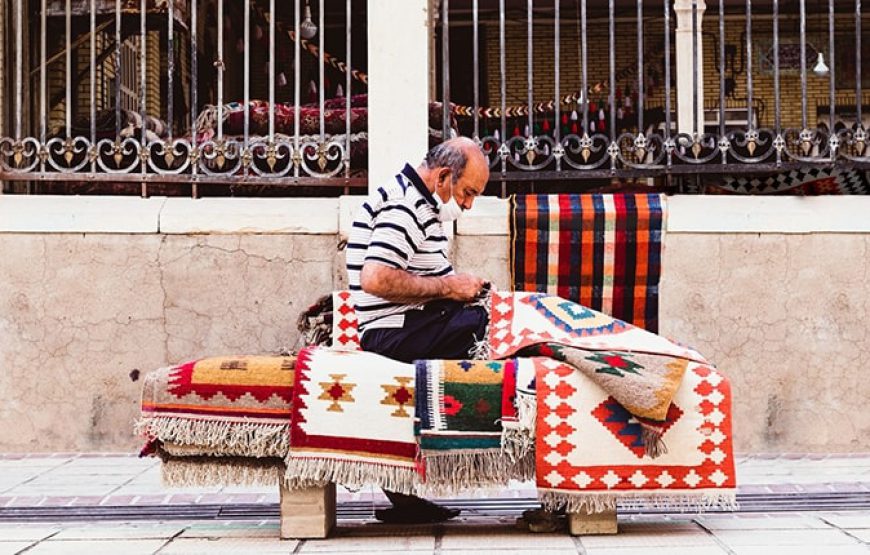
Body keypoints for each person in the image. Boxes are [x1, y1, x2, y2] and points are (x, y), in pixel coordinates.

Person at [345, 137, 490, 523]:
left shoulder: (420, 204)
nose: (468, 204)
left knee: (494, 315)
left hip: (411, 323)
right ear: (444, 177)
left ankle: (410, 490)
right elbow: (375, 278)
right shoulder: (406, 206)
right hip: (393, 331)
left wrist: (457, 286)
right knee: (496, 327)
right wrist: (448, 287)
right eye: (467, 192)